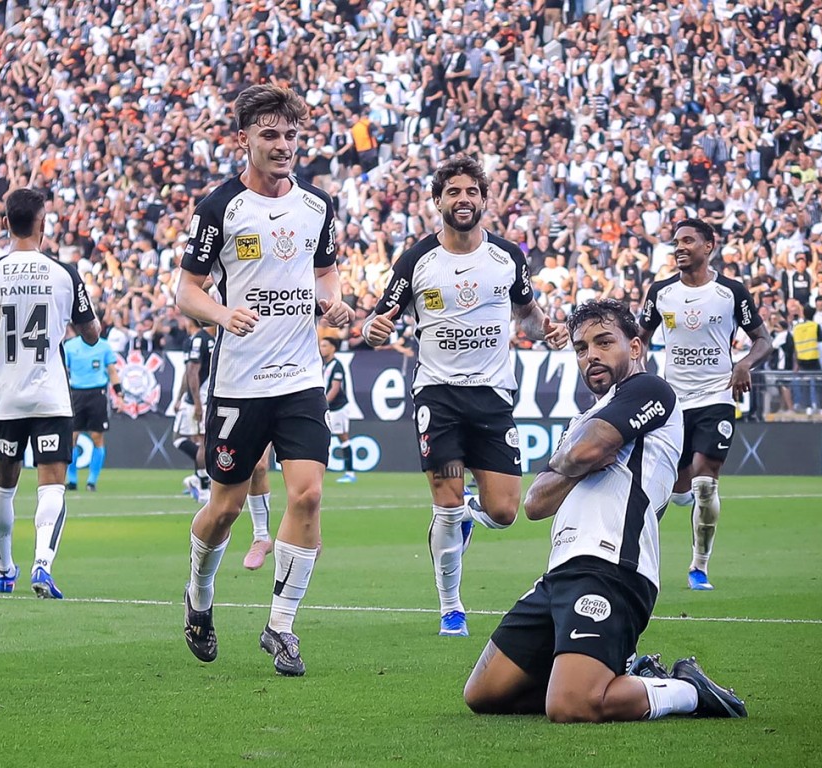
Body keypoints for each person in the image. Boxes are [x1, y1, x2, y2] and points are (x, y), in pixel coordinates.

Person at [463, 299, 747, 722]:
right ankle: (620, 677)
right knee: (484, 694)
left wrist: (577, 459)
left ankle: (688, 690)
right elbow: (535, 503)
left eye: (603, 342)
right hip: (561, 570)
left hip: (613, 566)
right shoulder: (584, 419)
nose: (590, 355)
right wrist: (581, 457)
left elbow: (583, 453)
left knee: (571, 706)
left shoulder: (650, 390)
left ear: (634, 347)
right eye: (581, 348)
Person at [176, 84, 354, 676]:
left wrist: (332, 300)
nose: (282, 145)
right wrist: (222, 314)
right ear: (244, 139)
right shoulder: (220, 208)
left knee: (308, 494)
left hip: (300, 377)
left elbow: (326, 272)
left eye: (290, 135)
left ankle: (281, 626)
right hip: (239, 383)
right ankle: (199, 596)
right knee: (224, 507)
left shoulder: (317, 206)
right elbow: (187, 291)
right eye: (269, 135)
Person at [363, 155, 569, 637]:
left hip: (493, 397)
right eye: (453, 192)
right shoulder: (417, 260)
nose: (463, 199)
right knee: (447, 501)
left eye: (471, 192)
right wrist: (374, 330)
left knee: (505, 512)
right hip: (439, 398)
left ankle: (471, 517)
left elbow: (527, 314)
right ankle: (451, 607)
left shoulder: (507, 257)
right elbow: (380, 319)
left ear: (483, 200)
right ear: (437, 202)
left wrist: (547, 330)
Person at [0, 187, 100, 599]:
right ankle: (42, 565)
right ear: (42, 224)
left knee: (2, 485)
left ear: (5, 224)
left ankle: (4, 570)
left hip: (6, 396)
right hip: (50, 394)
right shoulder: (65, 274)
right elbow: (91, 334)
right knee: (51, 483)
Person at [638, 218, 772, 591]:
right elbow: (639, 339)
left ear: (708, 246)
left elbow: (763, 340)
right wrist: (641, 374)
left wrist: (744, 363)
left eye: (688, 241)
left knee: (704, 483)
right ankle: (637, 553)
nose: (679, 247)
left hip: (716, 396)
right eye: (676, 242)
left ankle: (698, 567)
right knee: (672, 491)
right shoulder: (661, 292)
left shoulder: (731, 292)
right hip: (672, 402)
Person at [63, 327, 121, 491]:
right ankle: (72, 480)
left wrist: (119, 393)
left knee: (97, 437)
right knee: (72, 437)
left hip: (97, 393)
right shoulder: (70, 346)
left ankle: (92, 481)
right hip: (76, 393)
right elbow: (63, 370)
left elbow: (112, 371)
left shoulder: (104, 346)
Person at [173, 319, 216, 503]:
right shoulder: (202, 340)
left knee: (202, 443)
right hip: (198, 399)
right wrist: (180, 397)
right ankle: (200, 478)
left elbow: (192, 373)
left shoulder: (200, 340)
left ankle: (203, 484)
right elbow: (188, 373)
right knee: (185, 439)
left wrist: (197, 402)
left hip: (202, 400)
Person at [320, 337, 357, 483]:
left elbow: (335, 388)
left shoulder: (337, 365)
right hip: (329, 407)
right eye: (321, 345)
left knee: (343, 437)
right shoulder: (325, 365)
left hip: (338, 407)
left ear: (333, 348)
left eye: (325, 346)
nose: (321, 348)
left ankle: (350, 472)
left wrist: (322, 404)